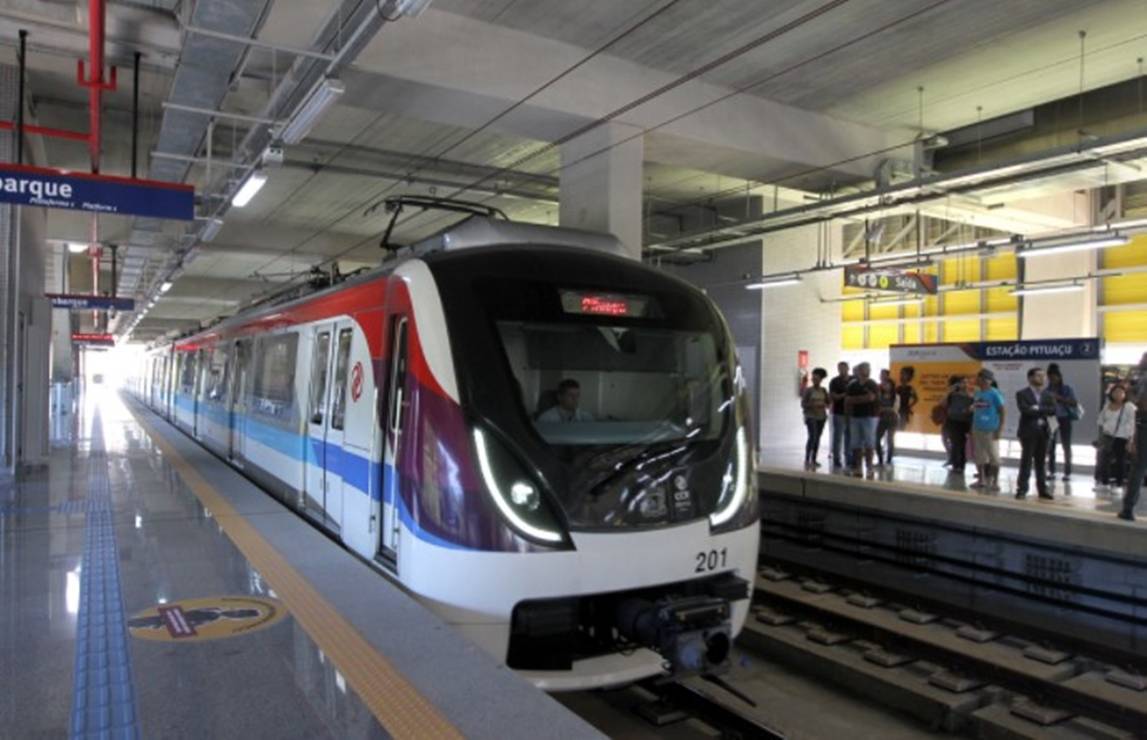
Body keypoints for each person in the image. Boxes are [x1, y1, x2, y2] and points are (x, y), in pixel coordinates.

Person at [1016, 367, 1057, 500]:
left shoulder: (1049, 394)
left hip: (1044, 432)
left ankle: (1042, 489)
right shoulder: (1022, 393)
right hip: (1028, 432)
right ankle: (1022, 489)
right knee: (1026, 460)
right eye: (1039, 376)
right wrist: (1041, 410)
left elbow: (1053, 410)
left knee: (1041, 462)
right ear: (1030, 378)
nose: (1042, 378)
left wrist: (1037, 408)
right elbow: (1025, 410)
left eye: (1043, 376)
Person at [1119, 352, 1147, 521]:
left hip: (1145, 425)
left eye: (1142, 359)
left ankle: (1128, 508)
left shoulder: (1143, 379)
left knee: (1138, 468)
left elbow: (1141, 403)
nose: (1139, 361)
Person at [1095, 384, 1135, 494]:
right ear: (1111, 393)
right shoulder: (1107, 405)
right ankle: (1104, 482)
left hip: (1122, 437)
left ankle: (1119, 484)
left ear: (1125, 394)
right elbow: (1100, 420)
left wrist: (1130, 439)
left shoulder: (1129, 406)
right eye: (1115, 392)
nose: (1118, 394)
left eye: (1120, 392)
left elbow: (1132, 423)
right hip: (1108, 436)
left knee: (1120, 461)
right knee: (1103, 460)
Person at [970, 369, 1006, 493]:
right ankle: (982, 479)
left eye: (978, 378)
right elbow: (978, 407)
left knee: (994, 457)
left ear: (985, 380)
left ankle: (995, 481)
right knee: (980, 456)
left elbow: (1002, 411)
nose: (976, 380)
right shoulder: (978, 393)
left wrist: (1000, 429)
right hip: (977, 428)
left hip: (991, 429)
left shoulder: (995, 394)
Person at [1045, 363, 1080, 481]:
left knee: (1066, 445)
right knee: (1051, 445)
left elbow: (1074, 403)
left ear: (1059, 377)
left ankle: (1067, 472)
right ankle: (1051, 471)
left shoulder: (1066, 388)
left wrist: (1059, 398)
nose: (1052, 379)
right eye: (1050, 377)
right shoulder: (1046, 390)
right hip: (1051, 418)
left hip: (1065, 418)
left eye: (1055, 376)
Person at [845, 362, 879, 477]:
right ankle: (858, 467)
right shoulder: (852, 385)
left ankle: (869, 467)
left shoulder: (872, 384)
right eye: (865, 369)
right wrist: (863, 398)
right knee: (856, 443)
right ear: (859, 371)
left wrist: (857, 399)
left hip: (869, 417)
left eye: (869, 368)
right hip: (855, 417)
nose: (868, 371)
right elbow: (848, 400)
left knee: (869, 442)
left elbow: (872, 398)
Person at [943, 376, 974, 476]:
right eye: (962, 382)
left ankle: (961, 465)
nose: (964, 384)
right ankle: (956, 465)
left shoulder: (971, 396)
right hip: (952, 421)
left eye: (966, 382)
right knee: (955, 443)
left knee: (961, 444)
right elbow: (942, 403)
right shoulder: (952, 395)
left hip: (964, 422)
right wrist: (949, 390)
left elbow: (972, 411)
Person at [801, 368, 830, 470]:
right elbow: (803, 404)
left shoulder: (824, 390)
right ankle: (807, 458)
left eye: (817, 379)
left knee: (817, 437)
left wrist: (824, 405)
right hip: (811, 416)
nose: (814, 380)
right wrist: (811, 405)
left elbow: (828, 403)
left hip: (821, 416)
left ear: (821, 380)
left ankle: (814, 459)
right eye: (813, 379)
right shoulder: (809, 391)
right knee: (812, 436)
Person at [828, 362, 851, 469]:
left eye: (843, 368)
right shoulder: (834, 381)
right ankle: (837, 458)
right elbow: (834, 397)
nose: (841, 370)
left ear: (848, 368)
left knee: (849, 436)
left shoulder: (853, 380)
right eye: (839, 368)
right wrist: (844, 395)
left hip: (851, 413)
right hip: (839, 413)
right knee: (838, 437)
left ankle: (849, 458)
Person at [875, 369, 899, 466]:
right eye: (884, 384)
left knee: (890, 440)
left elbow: (894, 409)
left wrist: (883, 409)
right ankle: (880, 459)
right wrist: (884, 409)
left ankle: (889, 460)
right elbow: (877, 408)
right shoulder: (880, 396)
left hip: (892, 420)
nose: (885, 386)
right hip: (882, 420)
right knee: (876, 439)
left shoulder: (896, 396)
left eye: (887, 384)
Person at [896, 366, 918, 431]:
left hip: (904, 410)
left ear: (909, 376)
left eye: (904, 374)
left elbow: (916, 399)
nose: (902, 375)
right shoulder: (898, 388)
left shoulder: (910, 388)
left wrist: (909, 406)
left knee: (901, 426)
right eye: (901, 373)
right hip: (897, 409)